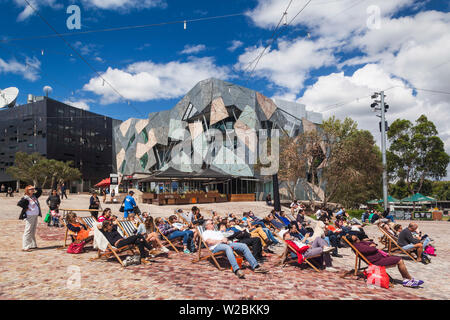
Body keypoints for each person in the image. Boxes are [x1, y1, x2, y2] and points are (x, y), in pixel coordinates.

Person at [346, 234, 424, 288]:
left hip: (380, 258)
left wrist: (371, 245)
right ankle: (407, 280)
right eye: (356, 239)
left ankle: (408, 279)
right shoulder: (357, 246)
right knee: (399, 260)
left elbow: (371, 243)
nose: (358, 239)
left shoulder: (361, 243)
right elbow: (371, 249)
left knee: (399, 259)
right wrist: (371, 246)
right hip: (377, 261)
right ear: (353, 242)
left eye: (357, 237)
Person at [202, 219, 268, 278]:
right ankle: (236, 269)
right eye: (211, 223)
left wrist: (225, 239)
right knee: (227, 248)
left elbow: (225, 237)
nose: (213, 224)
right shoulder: (205, 233)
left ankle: (256, 266)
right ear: (207, 226)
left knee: (243, 245)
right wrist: (221, 241)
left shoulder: (216, 232)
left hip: (225, 244)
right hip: (216, 247)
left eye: (213, 223)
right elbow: (209, 242)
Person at [18, 185, 43, 252]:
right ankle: (25, 246)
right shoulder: (26, 197)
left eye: (32, 189)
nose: (32, 190)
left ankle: (33, 245)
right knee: (28, 230)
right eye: (30, 189)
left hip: (35, 215)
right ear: (27, 190)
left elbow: (40, 191)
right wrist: (26, 208)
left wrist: (35, 187)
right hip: (30, 215)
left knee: (33, 230)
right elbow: (19, 203)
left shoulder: (34, 196)